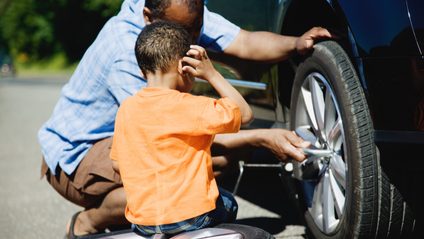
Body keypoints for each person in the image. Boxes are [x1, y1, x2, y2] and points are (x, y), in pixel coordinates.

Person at [38, 0, 330, 237]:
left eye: (196, 30)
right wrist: (261, 136)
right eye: (184, 32)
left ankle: (149, 218)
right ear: (148, 16)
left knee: (197, 159)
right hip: (74, 157)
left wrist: (297, 43)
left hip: (122, 150)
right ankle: (89, 221)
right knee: (184, 166)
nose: (191, 40)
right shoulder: (126, 51)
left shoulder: (179, 14)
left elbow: (244, 41)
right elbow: (164, 138)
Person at [111, 21, 253, 235]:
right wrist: (212, 74)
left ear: (142, 72)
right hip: (191, 216)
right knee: (228, 202)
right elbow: (245, 114)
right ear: (183, 67)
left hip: (143, 221)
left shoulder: (126, 108)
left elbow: (116, 164)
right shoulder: (192, 106)